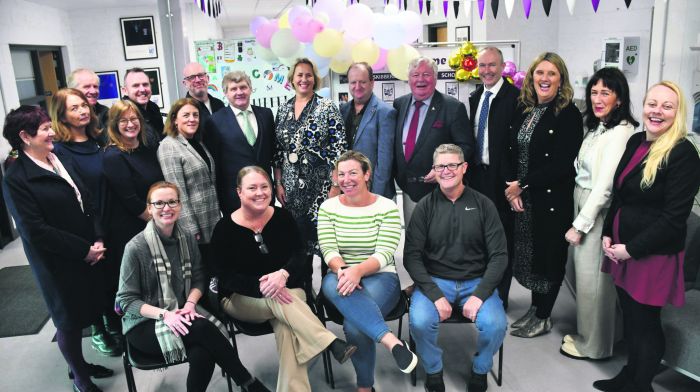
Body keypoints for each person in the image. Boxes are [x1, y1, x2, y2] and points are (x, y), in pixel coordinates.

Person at [593, 81, 700, 392]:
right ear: (643, 105)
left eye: (667, 106)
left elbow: (673, 219)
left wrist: (632, 249)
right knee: (629, 314)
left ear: (678, 113)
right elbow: (621, 195)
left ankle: (641, 385)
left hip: (651, 253)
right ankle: (629, 375)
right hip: (622, 248)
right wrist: (608, 233)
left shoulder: (683, 154)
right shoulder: (638, 140)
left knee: (646, 321)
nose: (657, 111)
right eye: (652, 103)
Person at [116, 181, 270, 392]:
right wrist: (165, 315)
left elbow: (199, 278)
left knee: (202, 352)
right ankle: (249, 383)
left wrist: (189, 305)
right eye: (159, 203)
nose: (166, 208)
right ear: (149, 208)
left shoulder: (186, 237)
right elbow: (126, 301)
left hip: (182, 312)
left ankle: (248, 384)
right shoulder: (135, 248)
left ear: (180, 205)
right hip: (144, 324)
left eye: (172, 201)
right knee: (204, 328)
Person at [213, 166, 357, 392]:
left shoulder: (282, 217)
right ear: (239, 192)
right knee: (277, 298)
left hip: (288, 290)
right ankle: (328, 341)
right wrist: (262, 286)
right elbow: (225, 276)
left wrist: (284, 274)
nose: (260, 192)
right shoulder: (224, 229)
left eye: (264, 187)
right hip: (241, 299)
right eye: (252, 188)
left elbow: (300, 254)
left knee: (287, 325)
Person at [2, 106, 112, 392]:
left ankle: (78, 365)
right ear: (25, 136)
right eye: (45, 129)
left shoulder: (58, 156)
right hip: (57, 261)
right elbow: (34, 230)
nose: (52, 133)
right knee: (68, 320)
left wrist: (98, 237)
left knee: (86, 309)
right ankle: (81, 380)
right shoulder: (16, 179)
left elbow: (85, 198)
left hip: (87, 248)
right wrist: (83, 250)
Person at [404, 144, 508, 392]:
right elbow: (411, 257)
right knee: (418, 322)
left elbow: (500, 256)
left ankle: (480, 368)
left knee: (495, 324)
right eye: (441, 166)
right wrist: (435, 295)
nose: (446, 171)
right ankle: (433, 370)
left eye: (452, 165)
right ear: (434, 170)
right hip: (436, 280)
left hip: (476, 280)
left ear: (464, 168)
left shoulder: (484, 205)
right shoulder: (424, 208)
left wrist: (479, 295)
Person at [318, 150, 417, 392]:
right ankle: (391, 341)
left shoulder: (386, 207)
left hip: (381, 276)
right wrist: (344, 271)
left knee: (354, 325)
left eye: (353, 172)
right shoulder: (328, 207)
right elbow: (328, 249)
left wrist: (358, 272)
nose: (346, 179)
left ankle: (364, 388)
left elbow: (385, 252)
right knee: (328, 284)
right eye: (341, 174)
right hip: (340, 275)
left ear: (366, 175)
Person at [560, 68, 638, 360]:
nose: (598, 98)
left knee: (593, 282)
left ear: (619, 98)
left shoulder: (621, 132)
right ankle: (608, 336)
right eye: (594, 91)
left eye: (606, 92)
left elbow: (604, 187)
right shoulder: (598, 127)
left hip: (596, 210)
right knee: (586, 278)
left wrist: (579, 226)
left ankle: (594, 346)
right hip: (582, 200)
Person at [505, 52, 583, 338]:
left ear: (561, 79)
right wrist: (514, 187)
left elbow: (561, 163)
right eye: (540, 73)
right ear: (532, 77)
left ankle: (544, 315)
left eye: (551, 73)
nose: (545, 79)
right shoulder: (525, 108)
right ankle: (535, 309)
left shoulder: (569, 114)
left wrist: (522, 185)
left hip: (551, 199)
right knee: (531, 257)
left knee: (549, 257)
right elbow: (512, 151)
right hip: (525, 196)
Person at [50, 88, 120, 357]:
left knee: (113, 280)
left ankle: (116, 325)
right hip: (91, 226)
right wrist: (96, 234)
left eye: (83, 106)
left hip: (114, 220)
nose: (82, 111)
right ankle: (101, 332)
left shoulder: (98, 140)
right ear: (62, 115)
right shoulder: (60, 151)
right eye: (73, 108)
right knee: (96, 285)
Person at [273, 58, 346, 260]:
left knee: (325, 243)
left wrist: (335, 184)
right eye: (300, 75)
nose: (304, 79)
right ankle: (303, 288)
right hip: (291, 190)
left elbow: (339, 148)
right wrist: (278, 183)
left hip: (322, 188)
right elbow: (278, 151)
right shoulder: (283, 109)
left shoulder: (327, 107)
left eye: (308, 74)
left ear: (315, 79)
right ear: (292, 79)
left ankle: (327, 289)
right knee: (297, 243)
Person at [468, 47, 520, 309]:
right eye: (482, 65)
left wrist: (517, 182)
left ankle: (500, 297)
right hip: (478, 177)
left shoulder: (516, 98)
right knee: (479, 237)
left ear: (502, 67)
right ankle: (481, 291)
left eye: (492, 65)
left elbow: (520, 146)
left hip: (503, 181)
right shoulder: (475, 97)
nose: (487, 70)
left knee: (502, 240)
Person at [393, 57, 474, 226]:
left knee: (441, 242)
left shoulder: (453, 107)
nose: (420, 79)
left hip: (441, 191)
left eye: (426, 74)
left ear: (435, 78)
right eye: (415, 75)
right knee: (414, 241)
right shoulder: (399, 104)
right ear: (409, 79)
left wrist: (444, 170)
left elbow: (466, 146)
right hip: (408, 191)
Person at [103, 100, 164, 317]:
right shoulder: (113, 156)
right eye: (123, 120)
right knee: (138, 284)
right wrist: (163, 223)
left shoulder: (148, 148)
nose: (130, 124)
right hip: (133, 228)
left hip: (155, 220)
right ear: (114, 125)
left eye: (134, 118)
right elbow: (131, 200)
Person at [205, 70, 275, 215]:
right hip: (234, 199)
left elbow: (273, 153)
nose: (239, 92)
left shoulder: (266, 114)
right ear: (225, 93)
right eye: (233, 89)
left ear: (250, 89)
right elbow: (214, 163)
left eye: (243, 87)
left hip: (265, 194)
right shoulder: (215, 121)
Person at [157, 98, 219, 253]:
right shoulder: (169, 146)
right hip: (194, 224)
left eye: (195, 115)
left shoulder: (197, 142)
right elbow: (177, 192)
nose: (192, 119)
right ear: (174, 120)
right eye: (186, 115)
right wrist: (190, 227)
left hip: (211, 218)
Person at [340, 62, 396, 199]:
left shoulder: (385, 112)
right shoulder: (342, 110)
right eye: (353, 82)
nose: (357, 87)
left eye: (362, 82)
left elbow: (384, 163)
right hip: (347, 190)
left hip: (374, 191)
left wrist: (374, 197)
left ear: (372, 83)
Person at [121, 67, 163, 145]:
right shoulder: (121, 112)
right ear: (125, 91)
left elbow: (161, 137)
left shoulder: (153, 108)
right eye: (136, 86)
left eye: (145, 84)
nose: (142, 89)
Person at [182, 62, 225, 126]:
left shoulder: (219, 104)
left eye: (200, 75)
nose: (197, 80)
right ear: (185, 83)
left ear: (207, 78)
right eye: (192, 77)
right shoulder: (182, 110)